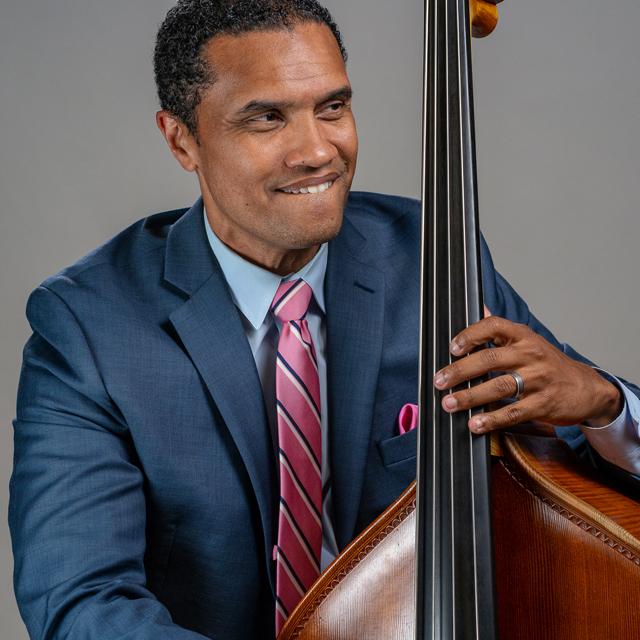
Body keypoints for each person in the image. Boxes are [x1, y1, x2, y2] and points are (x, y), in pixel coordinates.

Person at [9, 1, 640, 639]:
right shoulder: (88, 323)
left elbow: (563, 468)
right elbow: (82, 604)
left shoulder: (429, 255)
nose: (317, 151)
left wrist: (603, 404)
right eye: (266, 118)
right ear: (181, 139)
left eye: (332, 107)